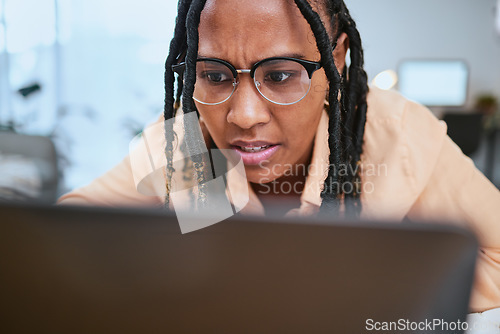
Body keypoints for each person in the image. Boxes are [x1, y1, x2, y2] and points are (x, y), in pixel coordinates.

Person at [58, 0, 500, 319]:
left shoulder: (396, 135)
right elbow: (64, 234)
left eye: (283, 74)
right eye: (213, 75)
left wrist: (373, 300)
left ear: (336, 60)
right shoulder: (186, 141)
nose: (245, 116)